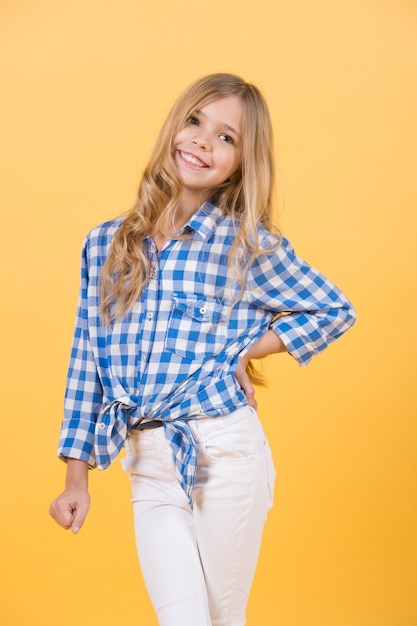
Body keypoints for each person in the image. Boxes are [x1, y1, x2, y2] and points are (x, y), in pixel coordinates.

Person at [49, 73, 356, 626]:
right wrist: (77, 478)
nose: (202, 142)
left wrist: (246, 352)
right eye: (195, 122)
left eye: (226, 138)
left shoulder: (247, 244)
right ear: (174, 126)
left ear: (240, 162)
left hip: (225, 452)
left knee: (220, 618)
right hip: (147, 461)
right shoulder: (105, 244)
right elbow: (85, 362)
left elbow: (335, 310)